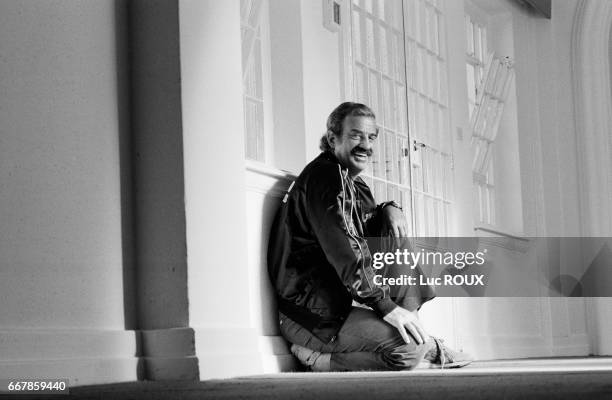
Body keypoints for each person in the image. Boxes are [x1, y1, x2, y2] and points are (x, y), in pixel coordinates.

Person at [267, 102, 472, 371]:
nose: (366, 145)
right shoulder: (327, 179)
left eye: (371, 137)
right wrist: (384, 305)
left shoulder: (350, 180)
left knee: (392, 233)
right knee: (409, 350)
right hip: (312, 317)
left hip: (332, 305)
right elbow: (348, 250)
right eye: (355, 135)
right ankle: (316, 358)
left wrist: (390, 209)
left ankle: (416, 332)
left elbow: (366, 229)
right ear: (332, 139)